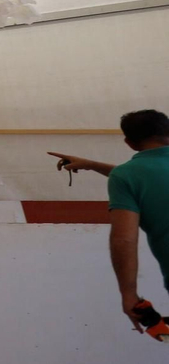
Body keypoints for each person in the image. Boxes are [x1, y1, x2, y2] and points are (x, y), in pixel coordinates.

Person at [51, 109, 169, 330]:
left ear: (130, 143)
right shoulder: (126, 176)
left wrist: (129, 295)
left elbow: (124, 239)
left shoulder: (126, 177)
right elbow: (154, 179)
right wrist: (93, 165)